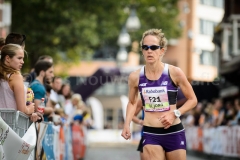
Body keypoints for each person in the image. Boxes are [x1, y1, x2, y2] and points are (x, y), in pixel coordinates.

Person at [121, 29, 197, 160]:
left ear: (162, 50)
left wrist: (175, 113)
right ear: (142, 50)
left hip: (174, 131)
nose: (149, 51)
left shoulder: (174, 72)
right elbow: (132, 102)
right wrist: (127, 124)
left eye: (153, 47)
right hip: (151, 134)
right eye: (145, 47)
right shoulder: (135, 77)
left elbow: (192, 100)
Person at [0, 44, 40, 122]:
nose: (22, 62)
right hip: (12, 127)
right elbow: (21, 111)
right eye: (19, 58)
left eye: (23, 59)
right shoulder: (16, 76)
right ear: (7, 58)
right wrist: (30, 109)